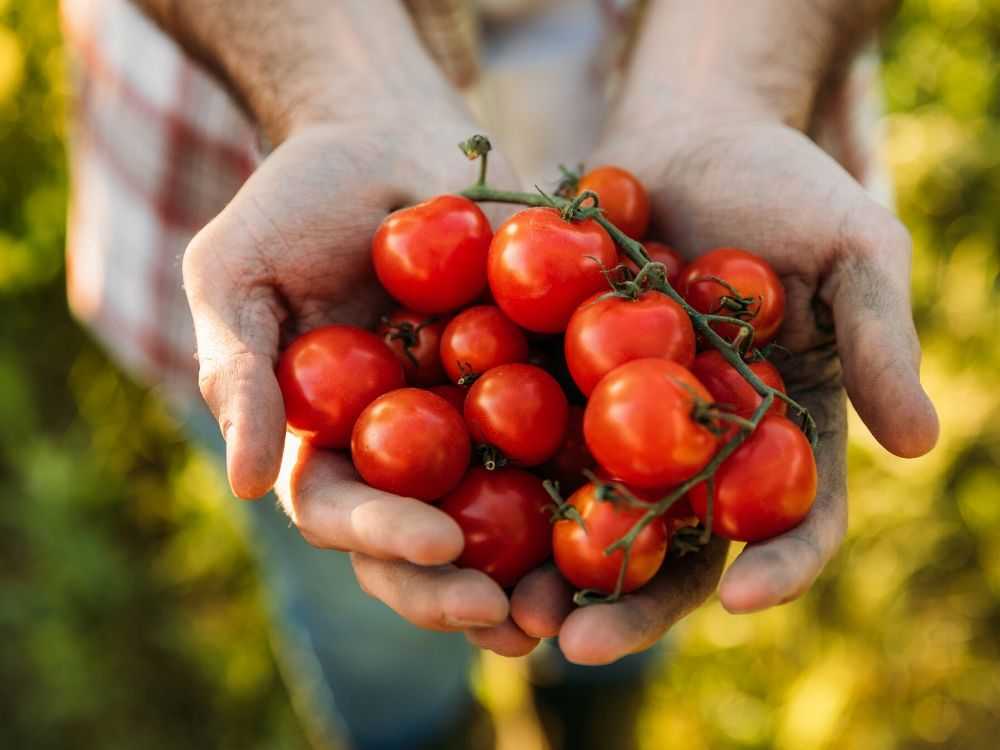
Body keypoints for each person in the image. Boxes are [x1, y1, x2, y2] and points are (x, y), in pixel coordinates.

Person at [61, 0, 939, 747]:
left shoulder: (665, 361)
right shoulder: (664, 354)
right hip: (248, 141)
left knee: (623, 604)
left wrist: (733, 89)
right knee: (368, 615)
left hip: (732, 69)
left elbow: (627, 430)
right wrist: (339, 93)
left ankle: (593, 708)